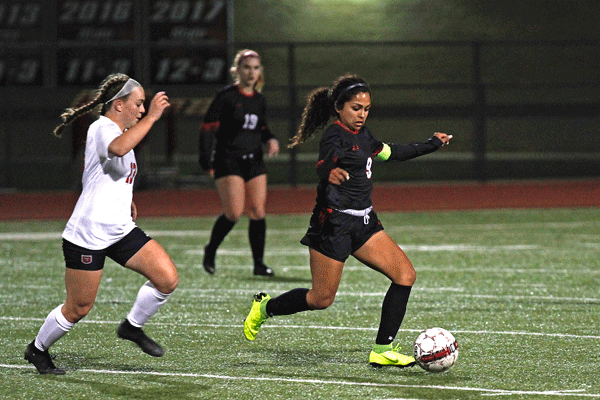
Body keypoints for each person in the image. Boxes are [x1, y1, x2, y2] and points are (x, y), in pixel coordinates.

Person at [243, 74, 453, 368]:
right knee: (320, 299)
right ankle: (265, 307)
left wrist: (431, 144)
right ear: (339, 107)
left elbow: (392, 152)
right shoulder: (334, 135)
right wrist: (328, 172)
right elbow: (324, 162)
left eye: (366, 109)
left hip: (365, 224)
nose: (362, 114)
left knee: (405, 276)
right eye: (356, 108)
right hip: (333, 225)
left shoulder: (364, 136)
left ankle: (382, 349)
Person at [24, 73, 178, 375]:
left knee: (166, 279)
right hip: (88, 234)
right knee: (78, 308)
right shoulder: (101, 127)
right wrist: (155, 118)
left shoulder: (122, 133)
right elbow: (117, 149)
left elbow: (108, 172)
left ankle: (132, 327)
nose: (143, 110)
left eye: (145, 106)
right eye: (138, 104)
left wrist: (126, 199)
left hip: (119, 230)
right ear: (118, 104)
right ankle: (37, 349)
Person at [198, 49, 280, 276]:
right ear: (237, 70)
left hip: (253, 159)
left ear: (260, 71)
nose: (251, 72)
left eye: (255, 67)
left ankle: (259, 264)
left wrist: (271, 139)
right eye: (246, 67)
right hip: (228, 159)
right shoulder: (226, 97)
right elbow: (207, 129)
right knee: (234, 212)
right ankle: (210, 250)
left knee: (257, 210)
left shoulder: (260, 100)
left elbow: (261, 128)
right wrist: (206, 161)